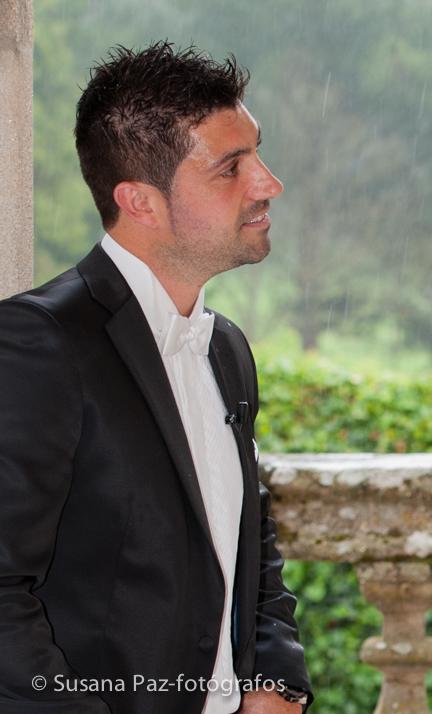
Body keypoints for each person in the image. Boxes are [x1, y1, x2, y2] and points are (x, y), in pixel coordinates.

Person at [0, 43, 311, 712]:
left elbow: (246, 544)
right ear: (140, 201)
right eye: (232, 167)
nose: (267, 183)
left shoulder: (226, 348)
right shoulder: (33, 344)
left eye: (255, 152)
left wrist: (276, 677)